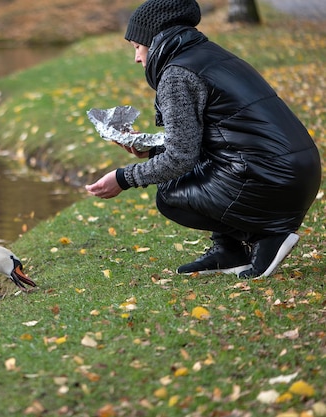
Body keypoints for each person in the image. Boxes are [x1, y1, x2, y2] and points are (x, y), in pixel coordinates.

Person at [85, 0, 321, 278]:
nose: (137, 57)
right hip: (295, 172)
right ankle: (229, 252)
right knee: (200, 170)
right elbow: (211, 138)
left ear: (155, 39)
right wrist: (149, 149)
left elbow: (181, 157)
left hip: (270, 179)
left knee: (171, 194)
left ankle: (268, 236)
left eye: (137, 47)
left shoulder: (176, 75)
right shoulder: (208, 54)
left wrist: (123, 178)